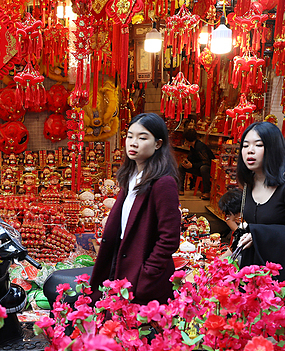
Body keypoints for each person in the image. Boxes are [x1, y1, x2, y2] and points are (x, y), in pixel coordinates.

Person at [89, 113, 181, 305]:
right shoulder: (131, 176)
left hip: (143, 273)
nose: (133, 142)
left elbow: (169, 238)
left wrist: (147, 273)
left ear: (158, 144)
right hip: (123, 262)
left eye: (142, 137)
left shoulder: (163, 183)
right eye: (130, 136)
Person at [234, 122, 285, 281]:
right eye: (245, 145)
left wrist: (259, 235)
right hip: (252, 271)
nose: (250, 150)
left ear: (273, 148)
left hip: (282, 275)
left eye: (258, 145)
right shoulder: (249, 183)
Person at [178, 129, 214, 200]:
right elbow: (191, 158)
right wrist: (186, 162)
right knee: (181, 167)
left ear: (186, 139)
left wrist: (192, 165)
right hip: (198, 167)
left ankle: (207, 192)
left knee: (204, 168)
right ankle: (180, 189)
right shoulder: (192, 146)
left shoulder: (200, 146)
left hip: (209, 169)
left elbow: (206, 162)